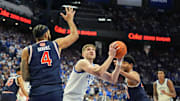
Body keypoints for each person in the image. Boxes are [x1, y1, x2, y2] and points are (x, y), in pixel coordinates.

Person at [20, 7, 79, 101]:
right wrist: (70, 20)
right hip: (54, 90)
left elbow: (25, 76)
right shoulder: (56, 44)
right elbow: (75, 35)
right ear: (47, 34)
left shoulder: (27, 50)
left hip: (37, 91)